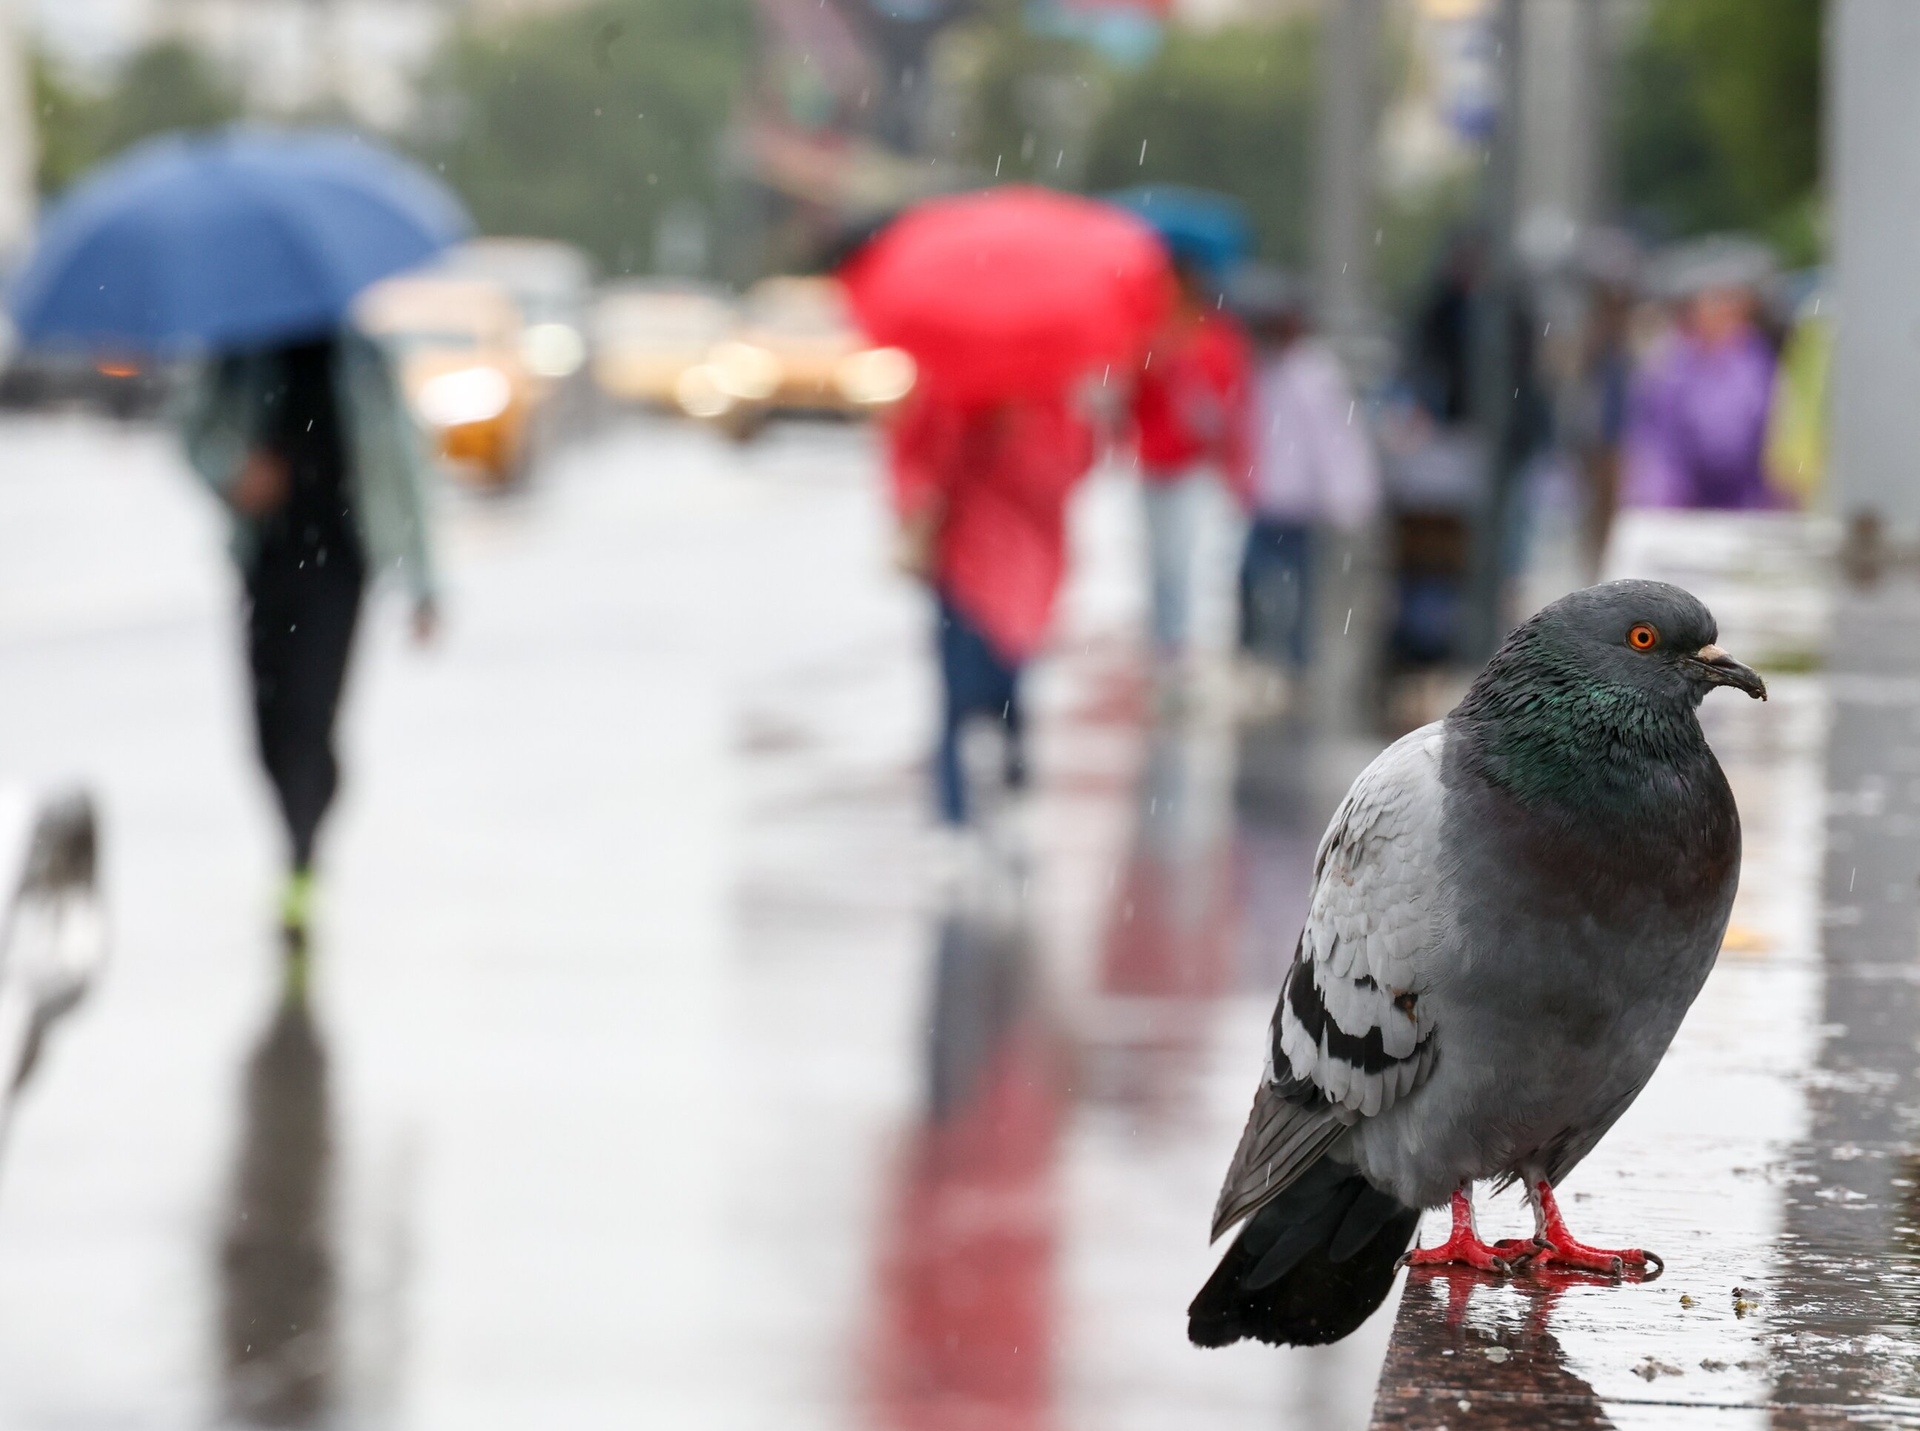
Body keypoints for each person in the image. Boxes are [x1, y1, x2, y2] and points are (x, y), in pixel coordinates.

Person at [179, 327, 437, 941]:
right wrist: (235, 472)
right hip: (266, 560)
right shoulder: (241, 353)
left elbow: (404, 458)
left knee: (313, 716)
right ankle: (298, 832)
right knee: (266, 729)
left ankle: (301, 857)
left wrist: (423, 581)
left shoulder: (364, 356)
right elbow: (191, 433)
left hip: (341, 564)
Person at [888, 387, 1095, 827]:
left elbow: (1067, 471)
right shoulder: (945, 398)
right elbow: (915, 468)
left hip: (1024, 574)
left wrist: (1016, 438)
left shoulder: (1050, 402)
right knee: (955, 700)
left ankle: (1011, 796)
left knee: (1009, 691)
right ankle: (954, 816)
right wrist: (970, 441)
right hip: (963, 571)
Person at [1237, 288, 1379, 702]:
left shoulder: (1315, 374)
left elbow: (1333, 440)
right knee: (1253, 580)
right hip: (1263, 495)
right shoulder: (1263, 367)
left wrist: (1347, 497)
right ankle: (1262, 658)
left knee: (1296, 587)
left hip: (1298, 502)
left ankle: (1296, 665)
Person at [1128, 262, 1252, 676]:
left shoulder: (1216, 338)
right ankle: (1164, 643)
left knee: (1183, 559)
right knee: (1157, 560)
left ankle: (1176, 648)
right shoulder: (1151, 334)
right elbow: (1132, 395)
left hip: (1194, 467)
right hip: (1151, 462)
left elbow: (1231, 402)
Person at [1622, 239, 1782, 511]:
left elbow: (1774, 435)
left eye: (1733, 300)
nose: (1725, 309)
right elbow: (1658, 445)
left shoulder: (1758, 359)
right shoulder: (1671, 364)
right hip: (1684, 502)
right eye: (1715, 300)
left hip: (1747, 501)